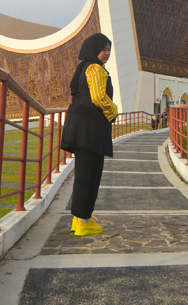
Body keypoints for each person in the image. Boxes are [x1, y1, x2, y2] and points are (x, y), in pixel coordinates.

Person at [60, 33, 118, 236]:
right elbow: (98, 97)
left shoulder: (83, 67)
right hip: (90, 128)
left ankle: (79, 219)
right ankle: (84, 221)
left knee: (83, 174)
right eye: (104, 50)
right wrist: (113, 110)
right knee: (91, 174)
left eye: (109, 50)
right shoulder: (95, 68)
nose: (107, 54)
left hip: (78, 125)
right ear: (95, 50)